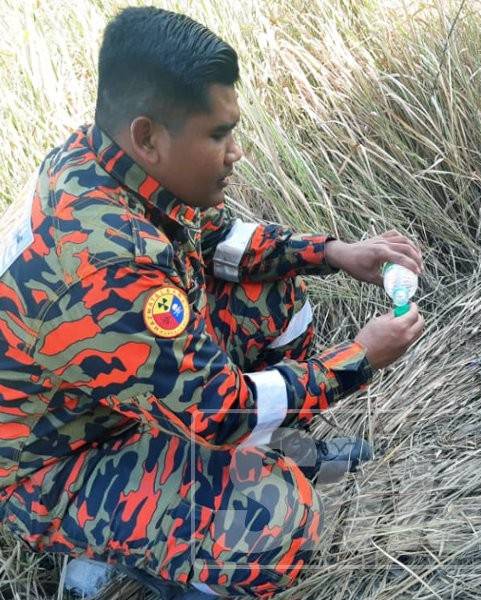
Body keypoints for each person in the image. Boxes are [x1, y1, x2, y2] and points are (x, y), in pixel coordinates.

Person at [0, 6, 424, 599]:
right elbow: (222, 415)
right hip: (60, 460)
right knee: (275, 520)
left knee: (272, 287)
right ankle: (117, 561)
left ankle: (265, 455)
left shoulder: (102, 157)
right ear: (148, 136)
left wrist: (332, 253)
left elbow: (218, 238)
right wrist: (361, 357)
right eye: (219, 135)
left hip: (117, 400)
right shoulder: (107, 266)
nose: (236, 152)